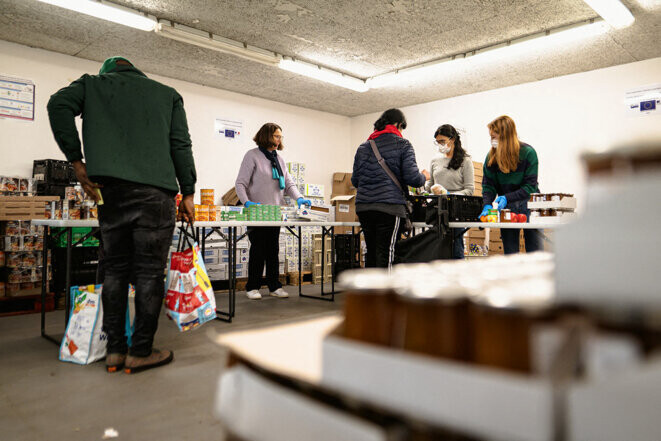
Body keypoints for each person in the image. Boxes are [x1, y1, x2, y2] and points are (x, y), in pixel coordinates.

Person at [47, 56, 196, 374]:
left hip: (108, 192)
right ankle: (140, 351)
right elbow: (180, 144)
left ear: (108, 73)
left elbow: (58, 104)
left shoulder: (92, 84)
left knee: (113, 270)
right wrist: (190, 191)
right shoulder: (167, 94)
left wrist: (77, 162)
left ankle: (115, 351)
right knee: (149, 273)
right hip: (155, 195)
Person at [235, 123, 310, 300]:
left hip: (275, 213)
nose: (279, 140)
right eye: (276, 136)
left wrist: (299, 197)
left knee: (273, 251)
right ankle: (252, 287)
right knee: (258, 250)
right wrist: (247, 203)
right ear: (266, 136)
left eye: (280, 137)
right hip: (257, 213)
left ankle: (274, 286)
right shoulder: (252, 156)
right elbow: (240, 183)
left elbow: (289, 184)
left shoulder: (279, 159)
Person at [352, 109, 430, 269]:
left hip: (364, 207)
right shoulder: (403, 144)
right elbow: (413, 179)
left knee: (371, 253)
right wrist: (424, 177)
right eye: (402, 128)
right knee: (386, 253)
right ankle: (384, 293)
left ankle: (369, 293)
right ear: (399, 125)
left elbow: (355, 180)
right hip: (389, 207)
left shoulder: (363, 147)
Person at [480, 115, 542, 254]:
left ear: (506, 137)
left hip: (530, 205)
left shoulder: (528, 153)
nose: (492, 141)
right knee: (511, 253)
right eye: (491, 137)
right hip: (507, 209)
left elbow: (530, 187)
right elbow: (488, 186)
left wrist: (507, 197)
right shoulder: (491, 158)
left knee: (535, 252)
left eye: (494, 137)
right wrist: (487, 204)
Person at [425, 124, 474, 259]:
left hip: (455, 210)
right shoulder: (435, 160)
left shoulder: (465, 161)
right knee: (436, 248)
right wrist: (425, 188)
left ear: (452, 140)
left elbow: (469, 190)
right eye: (437, 142)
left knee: (455, 246)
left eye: (442, 141)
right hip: (436, 209)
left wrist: (449, 194)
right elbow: (429, 185)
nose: (440, 145)